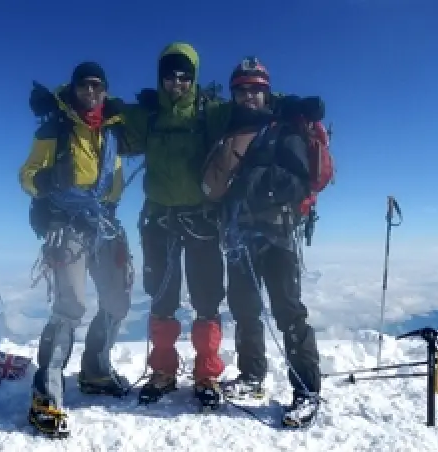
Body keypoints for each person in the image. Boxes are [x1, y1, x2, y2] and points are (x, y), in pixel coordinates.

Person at [200, 56, 331, 428]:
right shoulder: (229, 130)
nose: (249, 96)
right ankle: (252, 375)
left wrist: (255, 182)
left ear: (267, 92)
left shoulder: (284, 129)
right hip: (239, 235)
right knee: (244, 309)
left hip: (277, 235)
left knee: (288, 312)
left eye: (256, 90)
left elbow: (299, 181)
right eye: (242, 89)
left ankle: (306, 391)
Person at [113, 42, 231, 409]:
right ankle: (163, 371)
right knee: (161, 298)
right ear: (160, 78)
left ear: (193, 79)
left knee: (207, 298)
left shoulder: (209, 113)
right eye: (170, 76)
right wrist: (61, 98)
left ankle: (207, 373)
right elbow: (103, 109)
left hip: (199, 219)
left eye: (184, 77)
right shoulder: (148, 115)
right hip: (160, 219)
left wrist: (285, 103)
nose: (176, 83)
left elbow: (249, 108)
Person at [19, 62, 134, 436]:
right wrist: (46, 180)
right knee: (71, 305)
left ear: (105, 91)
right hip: (67, 224)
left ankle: (96, 370)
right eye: (84, 85)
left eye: (97, 86)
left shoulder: (113, 130)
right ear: (74, 89)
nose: (91, 91)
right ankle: (45, 394)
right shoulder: (57, 127)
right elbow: (27, 175)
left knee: (117, 301)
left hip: (104, 222)